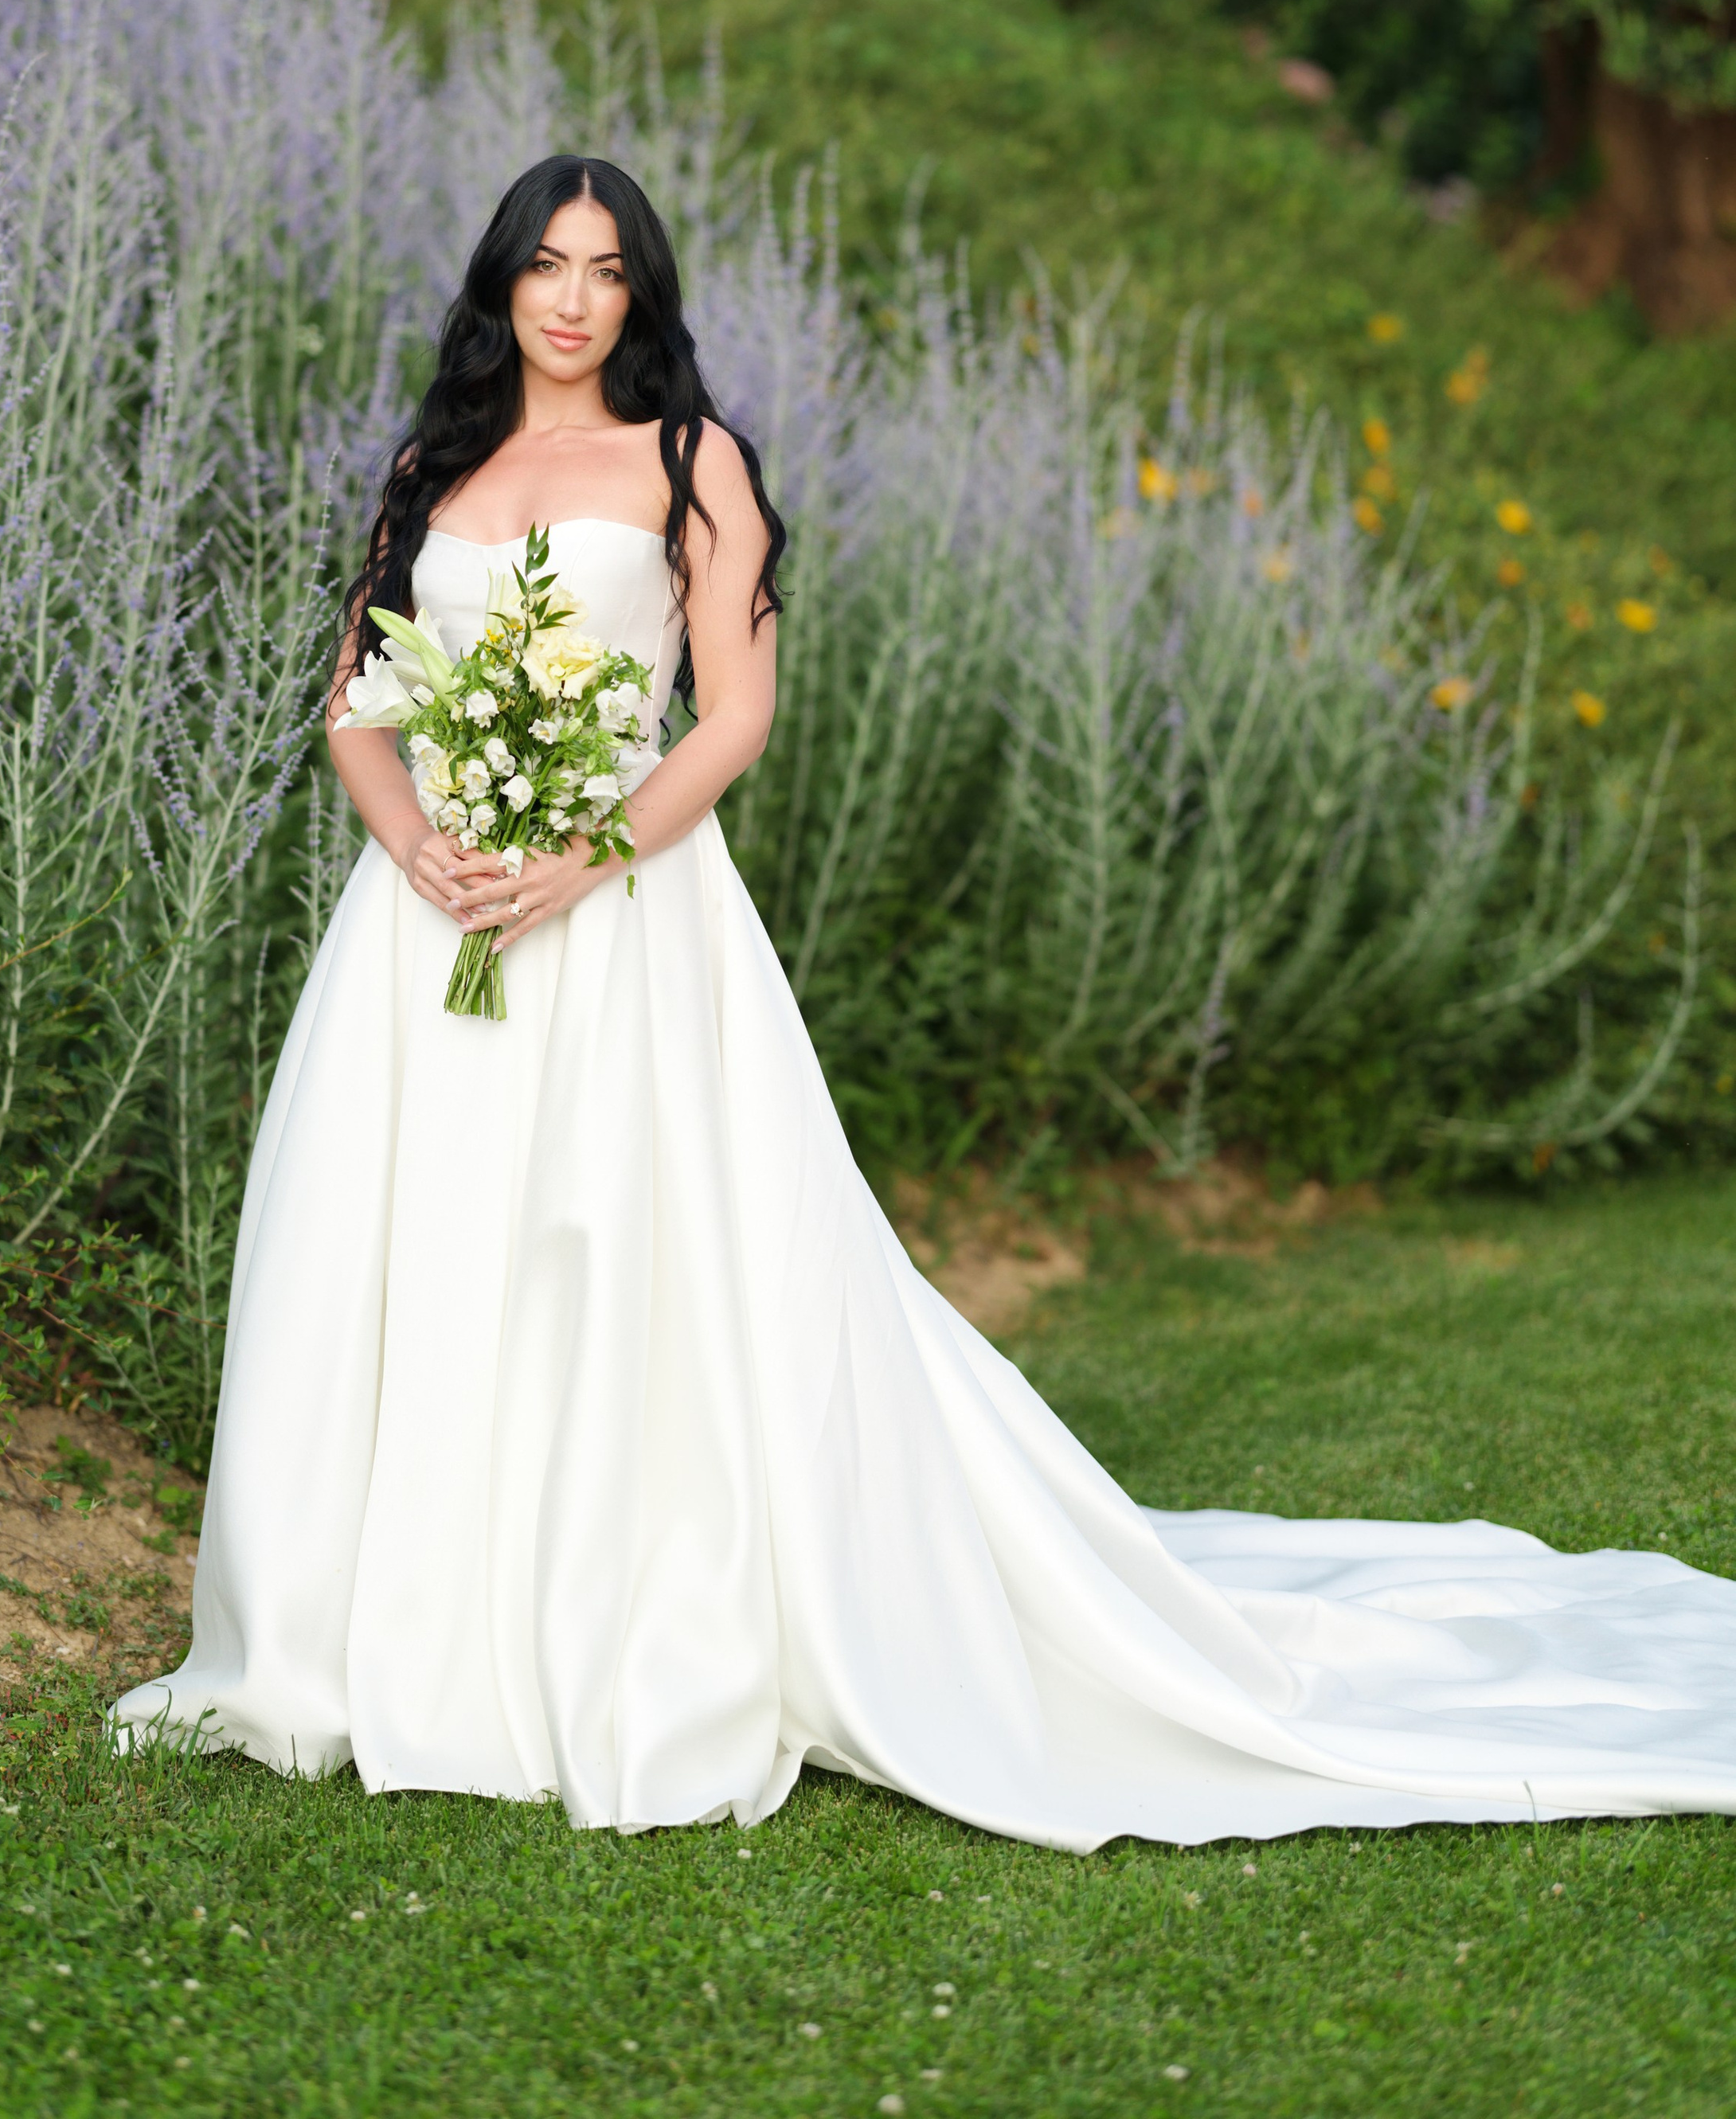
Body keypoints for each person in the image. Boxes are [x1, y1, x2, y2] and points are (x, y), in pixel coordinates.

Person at [114, 155, 1736, 1847]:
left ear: (639, 293)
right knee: (411, 1243)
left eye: (604, 269)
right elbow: (357, 700)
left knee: (603, 1251)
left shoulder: (691, 460)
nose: (572, 299)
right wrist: (421, 848)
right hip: (427, 924)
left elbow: (734, 715)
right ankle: (383, 1629)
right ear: (500, 283)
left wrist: (576, 859)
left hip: (615, 914)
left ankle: (598, 1625)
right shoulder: (430, 464)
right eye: (544, 264)